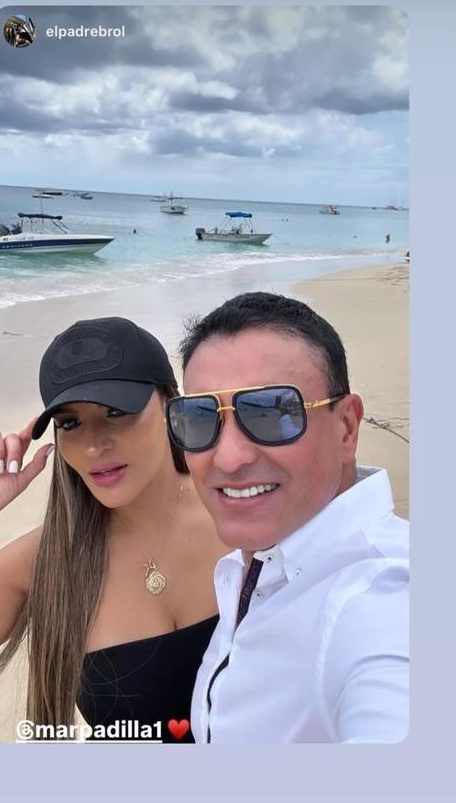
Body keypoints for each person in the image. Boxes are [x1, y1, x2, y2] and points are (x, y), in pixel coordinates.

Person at [166, 292, 409, 743]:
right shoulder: (261, 563)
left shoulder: (381, 598)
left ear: (347, 427)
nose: (229, 457)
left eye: (272, 412)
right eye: (199, 417)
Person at [0, 316, 226, 742]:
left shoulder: (239, 512)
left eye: (116, 412)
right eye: (70, 423)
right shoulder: (40, 561)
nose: (93, 445)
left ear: (170, 403)